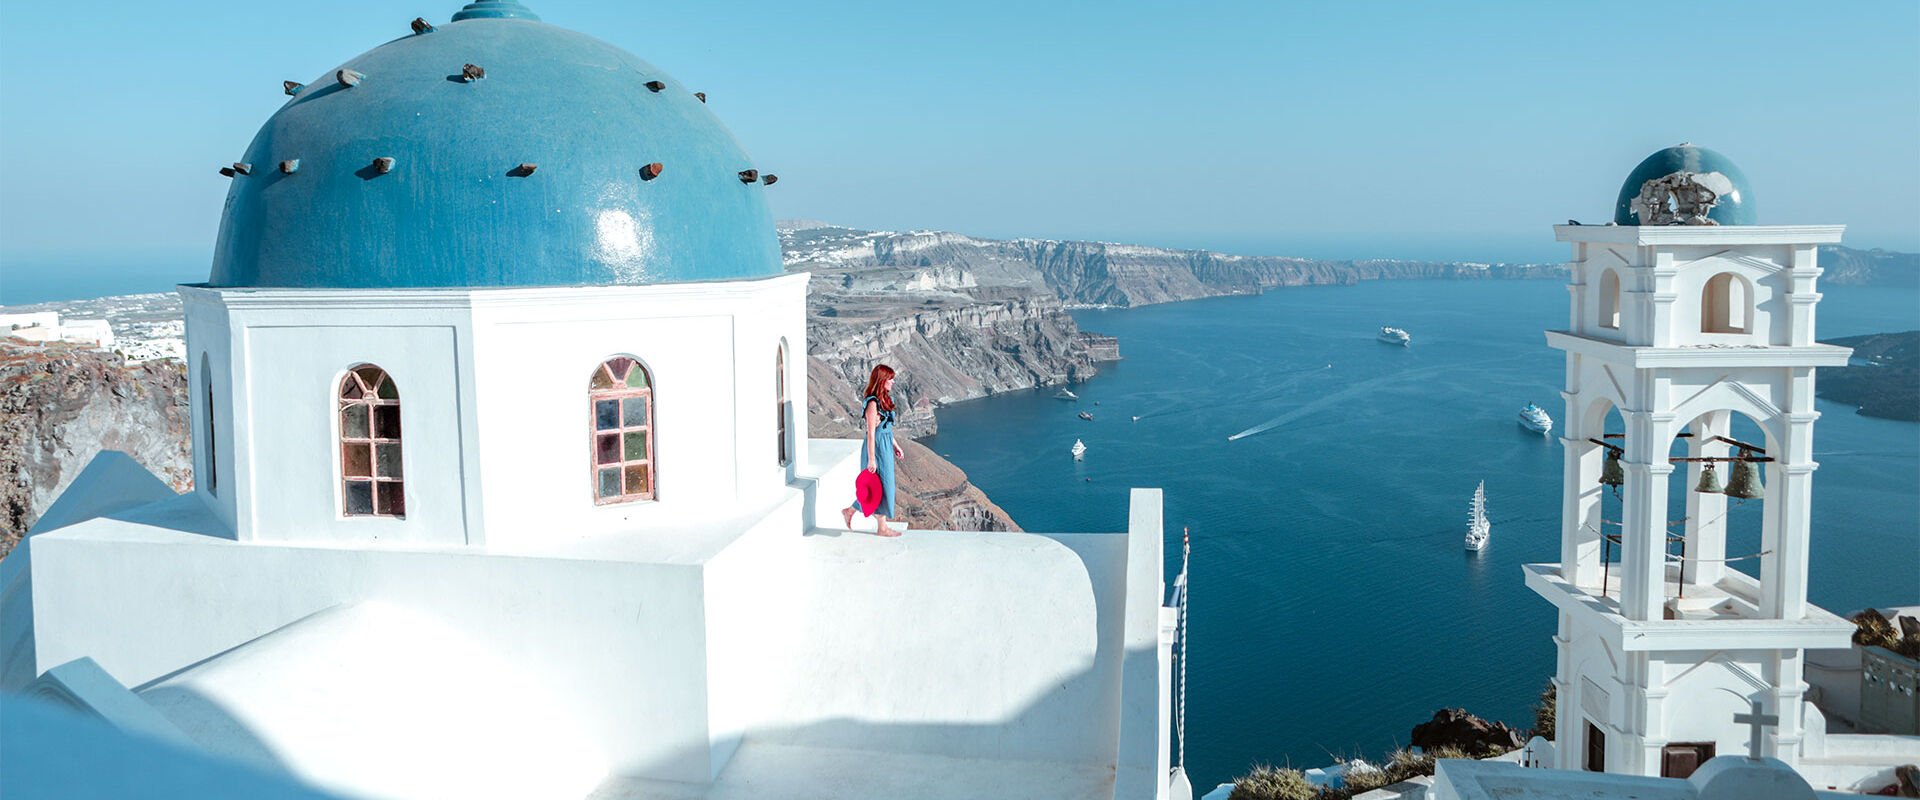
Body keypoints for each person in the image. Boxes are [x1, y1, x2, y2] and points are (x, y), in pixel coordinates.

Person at [842, 364, 905, 536]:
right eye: (890, 378)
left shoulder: (884, 399)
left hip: (885, 446)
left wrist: (895, 445)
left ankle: (851, 511)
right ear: (882, 380)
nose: (893, 381)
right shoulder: (872, 404)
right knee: (879, 486)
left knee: (885, 485)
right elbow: (871, 434)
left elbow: (886, 429)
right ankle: (882, 528)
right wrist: (871, 459)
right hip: (876, 448)